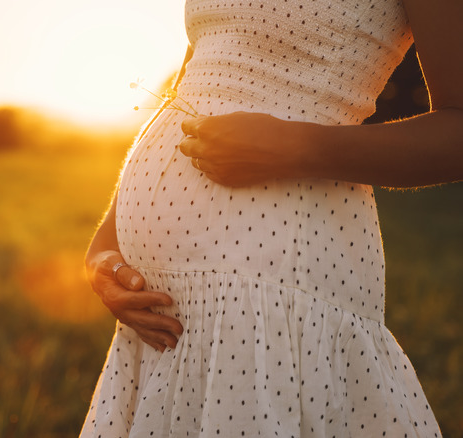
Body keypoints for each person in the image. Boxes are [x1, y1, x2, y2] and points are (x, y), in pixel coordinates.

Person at [80, 0, 462, 436]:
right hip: (163, 314)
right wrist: (105, 246)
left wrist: (294, 147)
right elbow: (196, 81)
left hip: (273, 291)